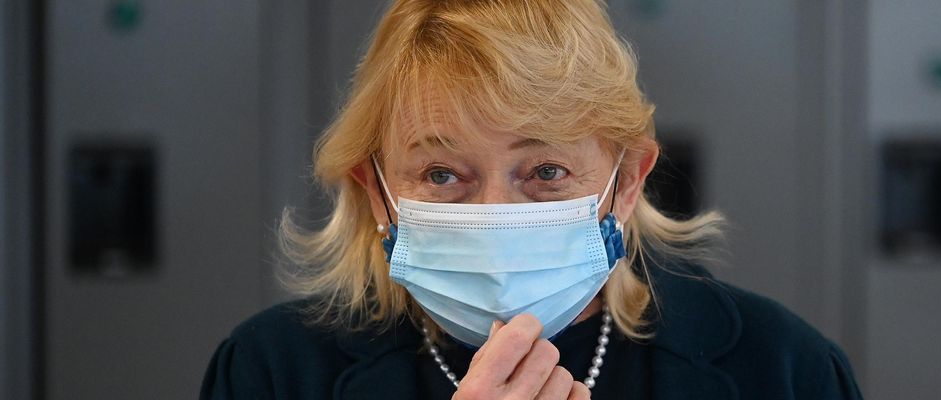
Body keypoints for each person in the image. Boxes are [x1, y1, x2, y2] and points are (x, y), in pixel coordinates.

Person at [201, 0, 862, 398]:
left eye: (545, 170)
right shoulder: (273, 373)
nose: (497, 212)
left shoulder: (781, 370)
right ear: (376, 191)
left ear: (626, 182)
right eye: (441, 174)